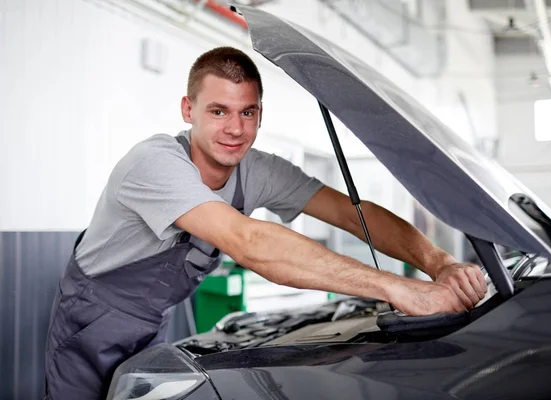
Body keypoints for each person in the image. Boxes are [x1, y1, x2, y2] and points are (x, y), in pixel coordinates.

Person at [44, 46, 487, 399]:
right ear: (188, 109)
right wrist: (396, 286)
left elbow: (355, 213)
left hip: (159, 318)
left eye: (248, 112)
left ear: (260, 113)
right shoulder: (154, 163)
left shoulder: (260, 171)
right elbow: (248, 241)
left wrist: (438, 261)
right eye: (218, 111)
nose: (235, 129)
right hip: (91, 323)